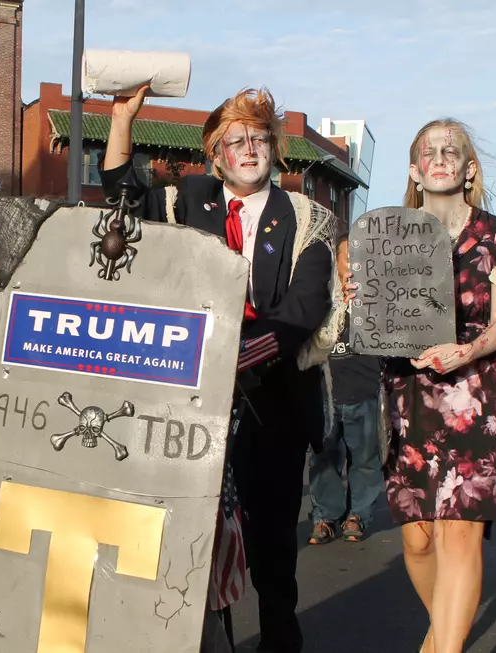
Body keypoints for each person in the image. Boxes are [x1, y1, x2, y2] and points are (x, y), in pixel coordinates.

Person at [101, 87, 333, 653]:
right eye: (236, 139)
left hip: (271, 400)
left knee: (271, 545)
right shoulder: (187, 199)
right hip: (189, 402)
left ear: (273, 149)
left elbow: (303, 310)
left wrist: (234, 359)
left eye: (259, 137)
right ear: (215, 151)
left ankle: (281, 641)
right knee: (187, 534)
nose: (249, 147)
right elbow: (122, 197)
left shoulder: (306, 215)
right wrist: (121, 118)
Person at [349, 119, 496, 653]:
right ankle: (442, 631)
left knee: (459, 531)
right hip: (409, 398)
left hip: (477, 395)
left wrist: (467, 350)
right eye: (431, 151)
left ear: (469, 168)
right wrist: (354, 290)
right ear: (414, 170)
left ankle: (445, 647)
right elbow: (365, 319)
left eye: (453, 150)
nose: (442, 157)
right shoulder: (385, 237)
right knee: (418, 540)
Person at [307, 231, 383, 545]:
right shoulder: (321, 299)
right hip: (326, 394)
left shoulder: (381, 301)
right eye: (348, 257)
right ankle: (325, 517)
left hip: (364, 391)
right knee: (324, 458)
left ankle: (358, 516)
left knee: (364, 459)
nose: (354, 264)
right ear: (337, 263)